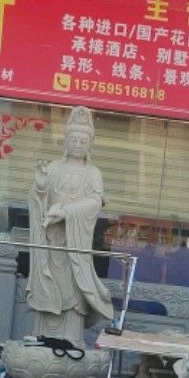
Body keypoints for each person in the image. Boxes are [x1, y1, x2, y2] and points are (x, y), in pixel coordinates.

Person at [26, 106, 114, 349]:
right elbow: (38, 200)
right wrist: (40, 187)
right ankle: (42, 337)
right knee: (48, 285)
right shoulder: (54, 168)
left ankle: (72, 339)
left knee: (74, 293)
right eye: (73, 139)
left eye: (83, 140)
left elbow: (95, 202)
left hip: (74, 245)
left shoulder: (93, 173)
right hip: (52, 243)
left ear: (90, 144)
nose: (78, 144)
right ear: (66, 141)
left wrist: (66, 212)